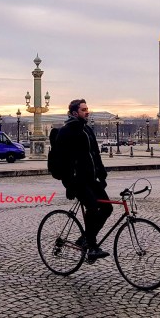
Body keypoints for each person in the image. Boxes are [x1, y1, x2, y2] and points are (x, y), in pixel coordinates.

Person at [55, 99, 111, 261]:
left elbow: (95, 154)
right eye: (83, 110)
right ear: (74, 113)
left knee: (107, 209)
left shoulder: (87, 129)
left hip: (92, 179)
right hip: (77, 181)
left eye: (87, 109)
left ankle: (85, 238)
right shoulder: (67, 131)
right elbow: (62, 160)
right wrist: (69, 183)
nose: (87, 112)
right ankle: (92, 247)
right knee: (93, 208)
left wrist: (102, 175)